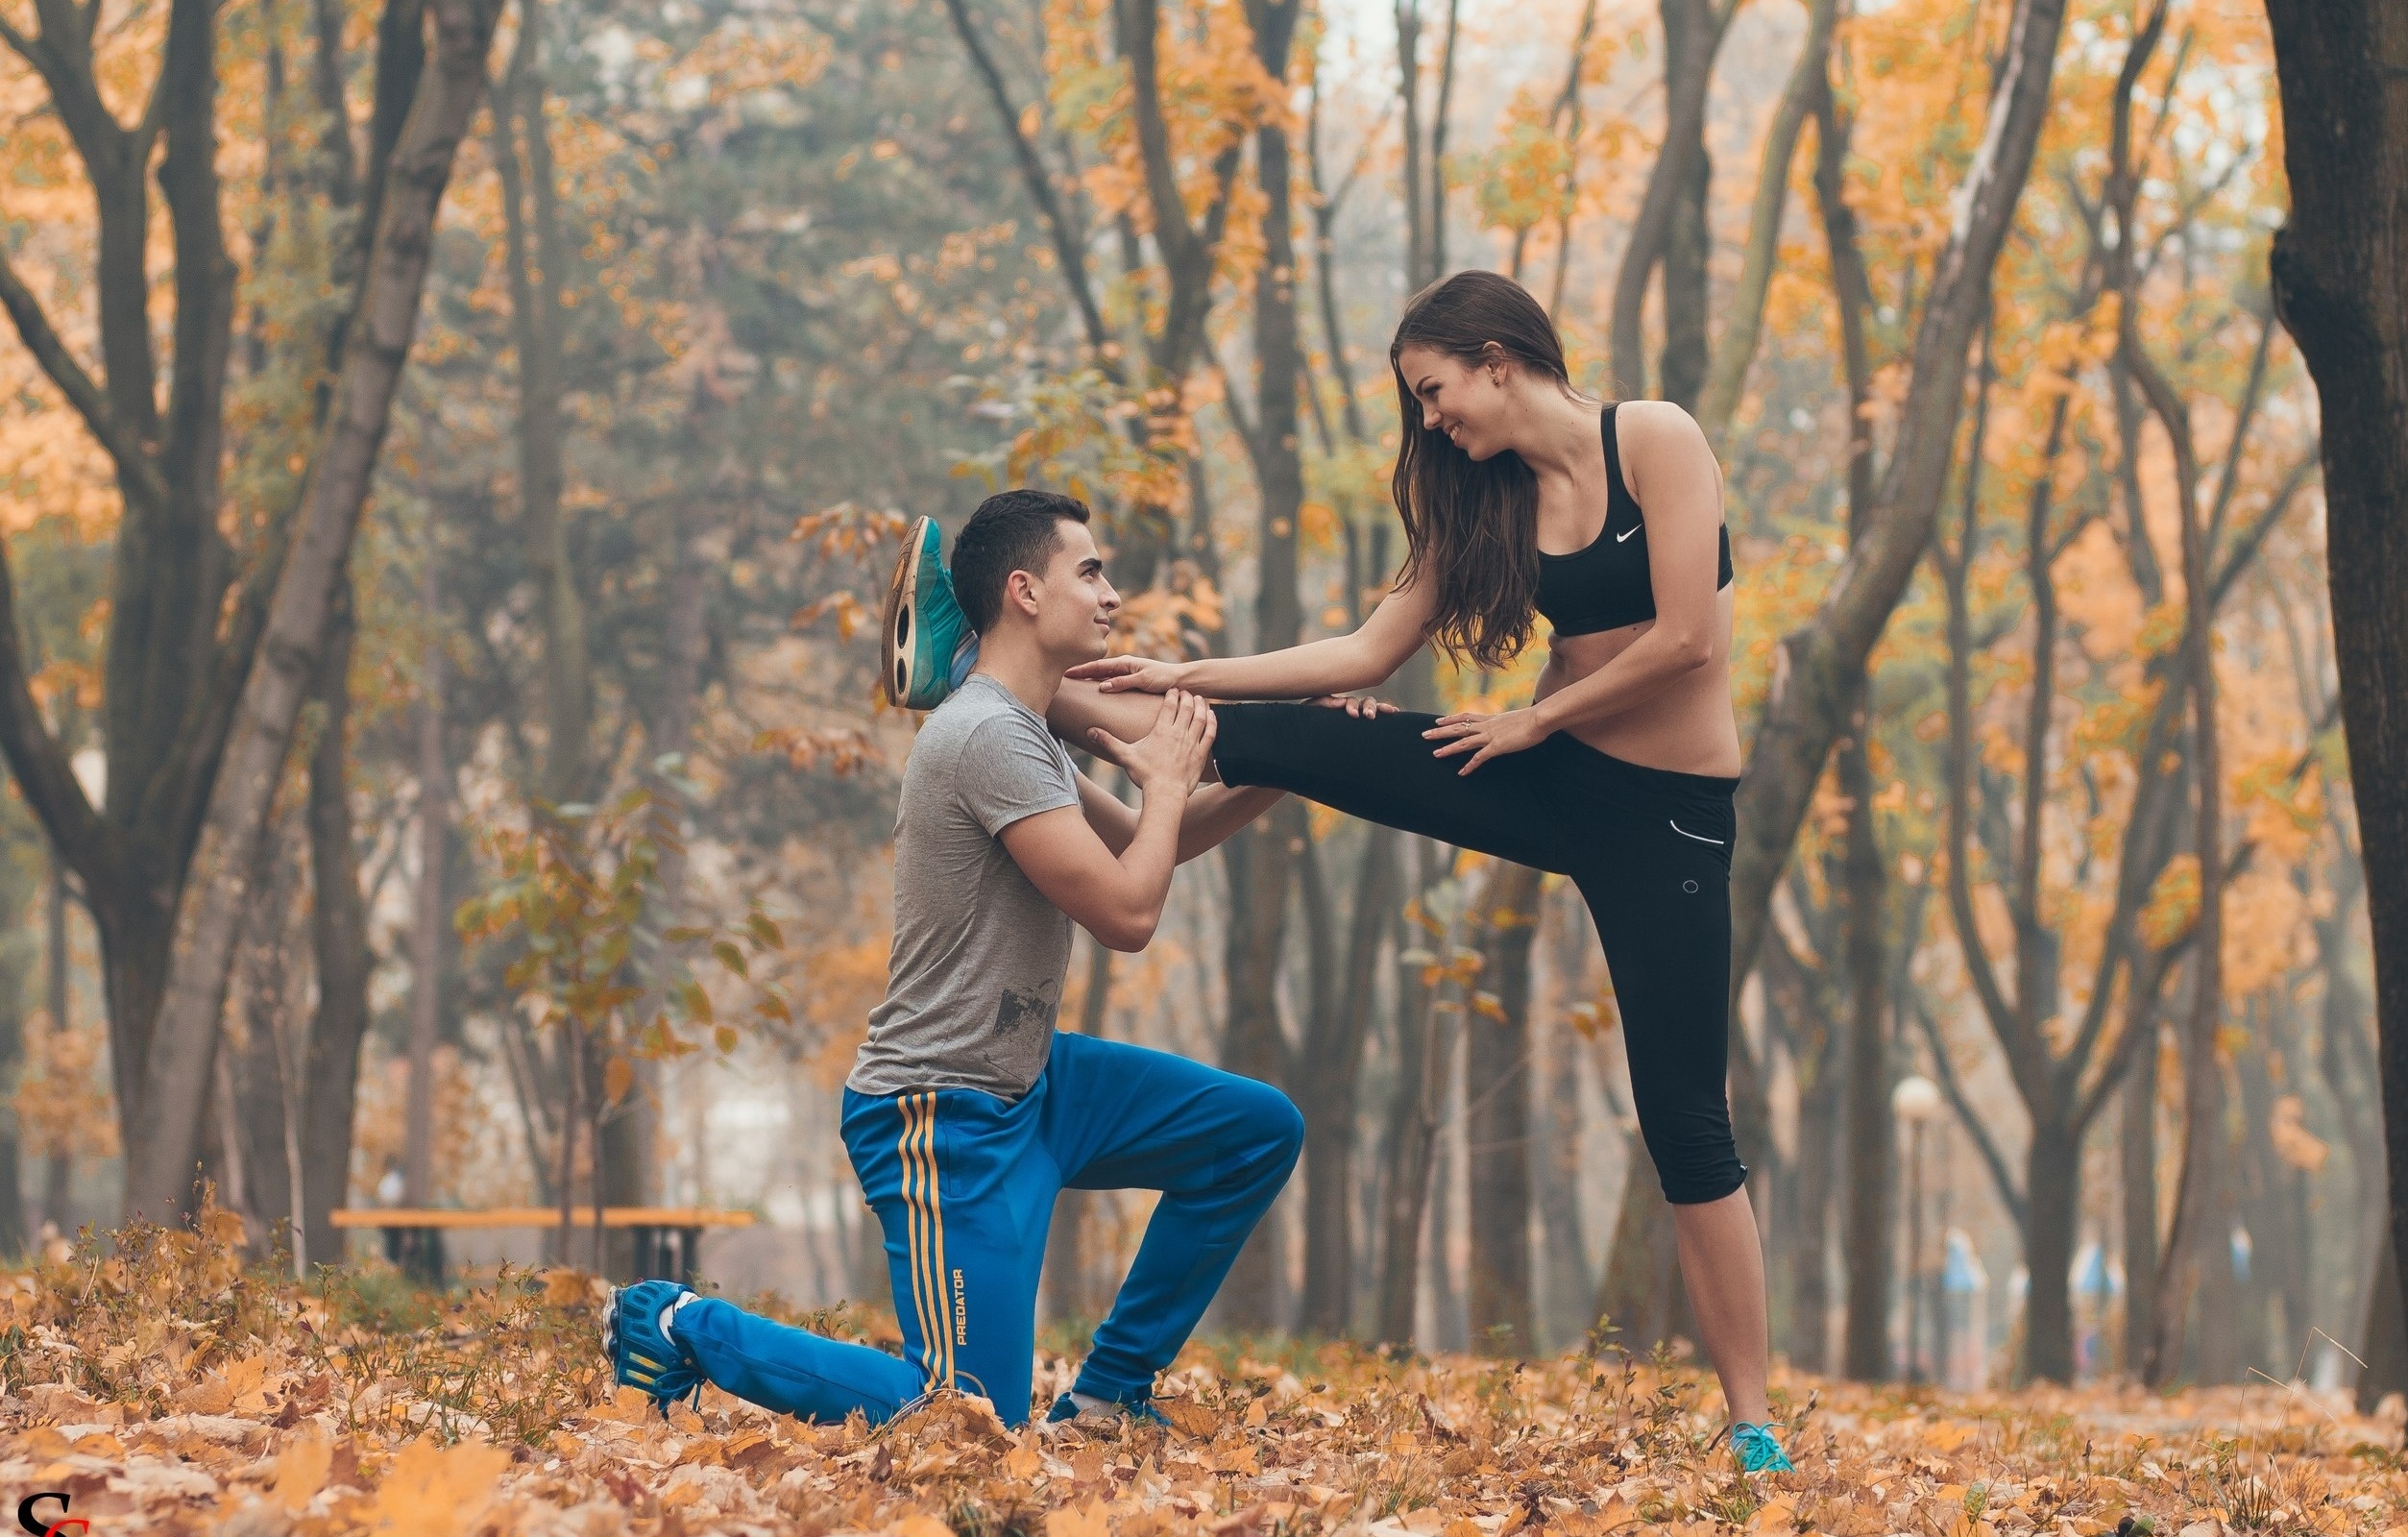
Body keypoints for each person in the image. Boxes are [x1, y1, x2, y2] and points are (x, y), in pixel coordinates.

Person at [897, 271, 1790, 1471]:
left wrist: (1532, 721)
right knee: (1317, 732)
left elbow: (1692, 638)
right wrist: (1183, 674)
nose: (1431, 421)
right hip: (1541, 775)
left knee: (1686, 1121)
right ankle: (995, 675)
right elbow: (1365, 647)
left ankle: (1754, 1426)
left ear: (1493, 357)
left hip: (1665, 819)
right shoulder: (1490, 503)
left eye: (1433, 392)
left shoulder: (1655, 439)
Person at [603, 489, 1301, 1430]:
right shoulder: (981, 736)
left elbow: (1152, 842)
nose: (1111, 595)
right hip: (942, 1111)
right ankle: (681, 1322)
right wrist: (1172, 774)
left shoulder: (1027, 730)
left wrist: (1296, 762)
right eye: (1088, 571)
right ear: (1022, 590)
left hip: (1030, 1082)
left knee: (1252, 1130)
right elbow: (1128, 913)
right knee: (965, 1415)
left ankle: (1106, 1392)